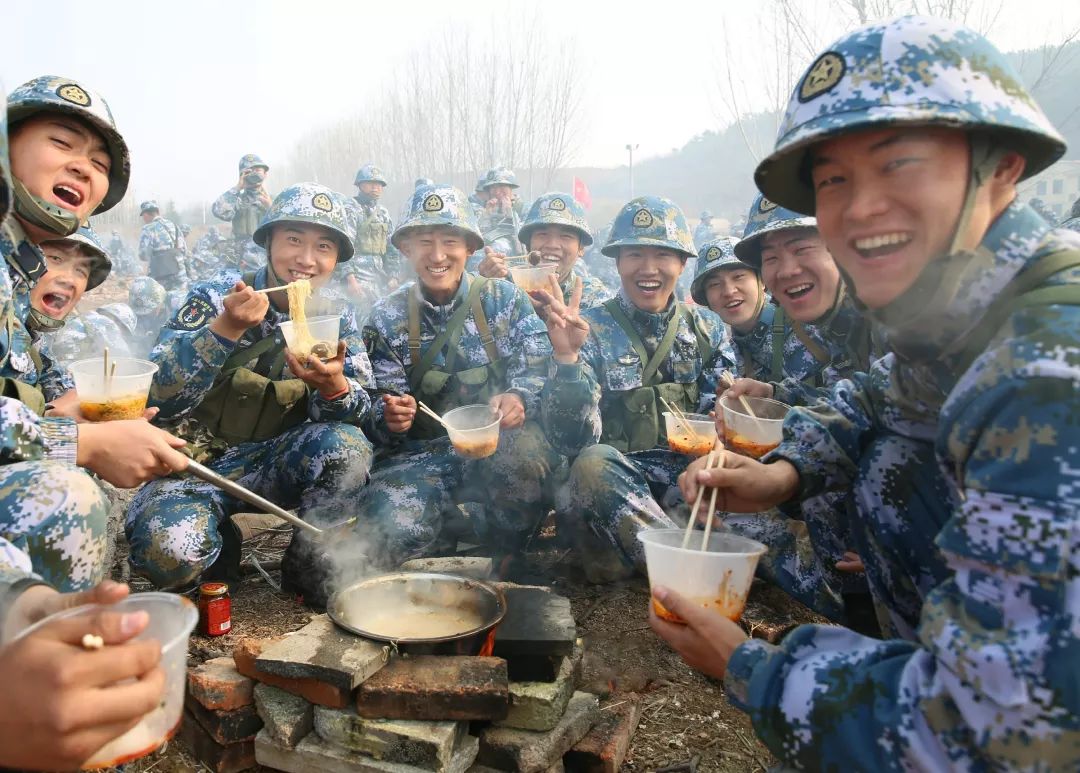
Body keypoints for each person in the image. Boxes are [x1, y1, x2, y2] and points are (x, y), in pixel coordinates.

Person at [658, 17, 1079, 770]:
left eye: (900, 165)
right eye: (834, 181)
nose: (860, 209)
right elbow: (877, 393)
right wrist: (782, 472)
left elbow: (1004, 738)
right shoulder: (966, 309)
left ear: (1002, 169)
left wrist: (756, 668)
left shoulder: (1048, 372)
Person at [0, 77, 184, 768]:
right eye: (60, 142)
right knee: (67, 497)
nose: (84, 166)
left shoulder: (16, 279)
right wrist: (79, 438)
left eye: (99, 163)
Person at [126, 183, 375, 595]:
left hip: (277, 461)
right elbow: (157, 395)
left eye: (324, 247)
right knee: (170, 554)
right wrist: (225, 330)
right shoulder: (215, 295)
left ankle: (311, 564)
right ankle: (216, 543)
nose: (306, 260)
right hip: (195, 464)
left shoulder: (335, 318)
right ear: (268, 241)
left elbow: (363, 411)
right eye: (293, 240)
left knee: (348, 447)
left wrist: (335, 389)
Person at [358, 184, 560, 567]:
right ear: (405, 249)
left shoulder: (504, 299)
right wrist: (391, 417)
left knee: (527, 465)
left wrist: (519, 397)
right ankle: (441, 537)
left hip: (500, 446)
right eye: (424, 242)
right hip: (420, 455)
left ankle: (505, 555)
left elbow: (537, 367)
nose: (437, 255)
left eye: (450, 241)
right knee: (392, 530)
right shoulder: (387, 317)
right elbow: (375, 399)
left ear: (469, 248)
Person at [538, 196, 736, 581]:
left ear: (682, 263)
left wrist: (722, 428)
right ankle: (684, 571)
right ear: (617, 262)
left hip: (687, 477)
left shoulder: (707, 327)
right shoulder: (585, 328)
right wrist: (567, 362)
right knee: (593, 461)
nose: (648, 269)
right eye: (634, 255)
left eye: (663, 254)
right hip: (614, 484)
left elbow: (719, 411)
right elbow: (571, 439)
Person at [477, 192, 612, 309]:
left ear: (581, 249)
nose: (552, 245)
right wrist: (485, 289)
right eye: (542, 234)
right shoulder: (504, 284)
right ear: (528, 244)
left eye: (566, 236)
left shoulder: (594, 297)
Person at [333, 163, 401, 314]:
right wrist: (350, 280)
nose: (375, 187)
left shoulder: (383, 212)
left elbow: (392, 248)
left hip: (379, 279)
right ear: (360, 185)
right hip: (357, 278)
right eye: (370, 183)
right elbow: (344, 246)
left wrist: (394, 276)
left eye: (379, 184)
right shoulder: (350, 209)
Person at [212, 153, 271, 271]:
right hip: (240, 260)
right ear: (242, 175)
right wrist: (238, 187)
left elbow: (287, 227)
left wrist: (270, 207)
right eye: (249, 171)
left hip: (267, 258)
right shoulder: (236, 199)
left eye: (257, 170)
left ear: (265, 174)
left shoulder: (274, 200)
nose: (254, 174)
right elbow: (219, 211)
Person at [138, 199, 187, 290]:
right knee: (179, 298)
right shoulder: (174, 225)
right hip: (179, 270)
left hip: (161, 273)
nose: (143, 219)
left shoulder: (148, 229)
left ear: (146, 214)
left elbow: (143, 254)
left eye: (143, 216)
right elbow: (184, 249)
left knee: (160, 299)